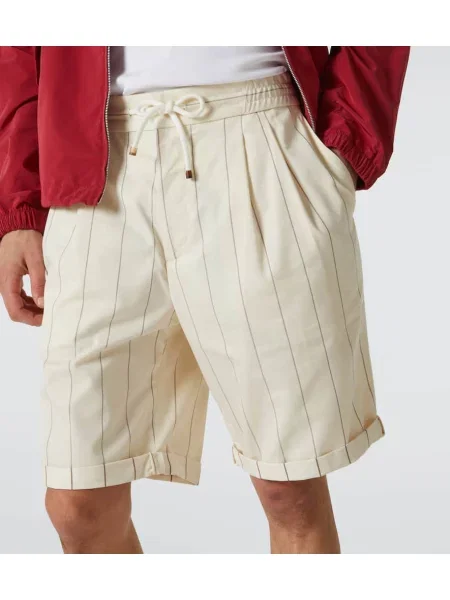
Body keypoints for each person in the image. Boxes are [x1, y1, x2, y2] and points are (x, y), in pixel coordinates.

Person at [0, 46, 409, 554]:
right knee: (77, 503)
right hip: (92, 165)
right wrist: (18, 204)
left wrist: (344, 148)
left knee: (290, 488)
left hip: (260, 136)